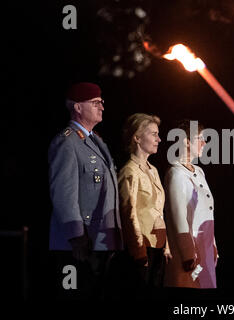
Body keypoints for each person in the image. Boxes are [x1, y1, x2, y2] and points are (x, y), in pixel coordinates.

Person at [48, 82, 123, 299]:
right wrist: (76, 236)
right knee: (74, 295)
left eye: (102, 102)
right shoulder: (67, 142)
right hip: (77, 245)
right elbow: (63, 193)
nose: (102, 107)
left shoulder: (96, 141)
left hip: (99, 242)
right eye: (95, 102)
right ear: (78, 107)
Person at [118, 113, 171, 289]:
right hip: (142, 248)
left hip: (158, 246)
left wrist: (167, 245)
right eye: (154, 134)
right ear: (137, 137)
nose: (159, 139)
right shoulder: (129, 171)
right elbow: (128, 213)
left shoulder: (153, 170)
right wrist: (138, 249)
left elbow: (159, 211)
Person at [164, 120, 218, 288]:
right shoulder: (176, 173)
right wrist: (188, 255)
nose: (204, 142)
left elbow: (207, 212)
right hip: (189, 254)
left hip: (205, 250)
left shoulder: (199, 171)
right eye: (199, 138)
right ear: (186, 141)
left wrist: (213, 244)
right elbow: (179, 217)